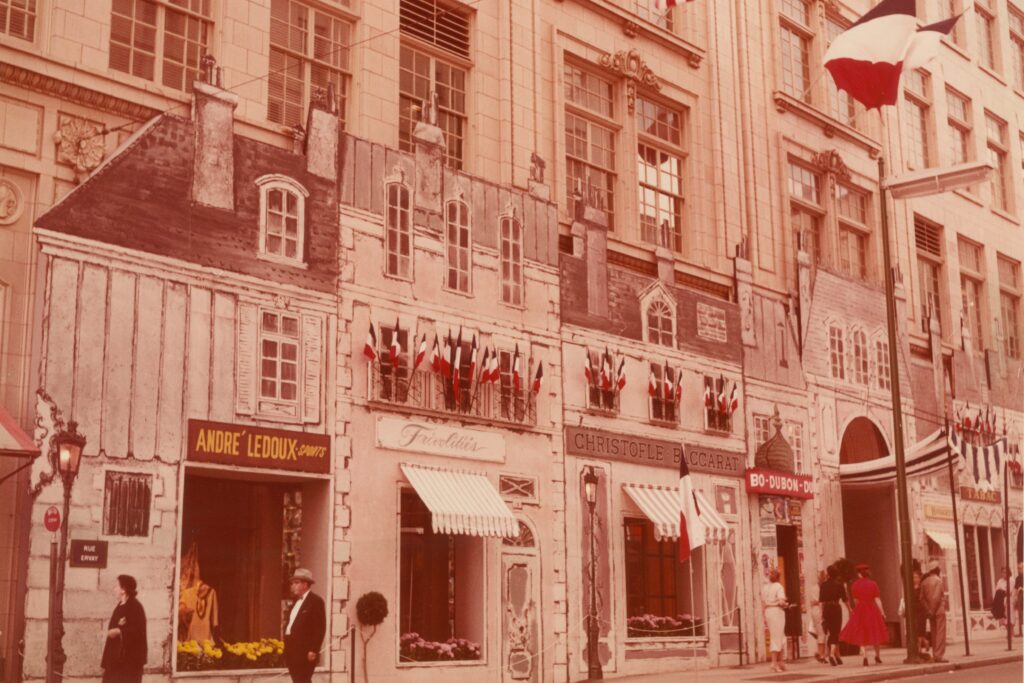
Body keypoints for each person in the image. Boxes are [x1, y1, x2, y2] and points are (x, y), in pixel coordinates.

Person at [101, 574, 147, 683]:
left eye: (116, 586)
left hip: (129, 661)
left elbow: (139, 631)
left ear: (123, 589)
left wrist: (119, 631)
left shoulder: (135, 606)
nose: (114, 589)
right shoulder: (121, 605)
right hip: (116, 659)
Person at [840, 563, 888, 666]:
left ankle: (865, 656)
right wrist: (882, 611)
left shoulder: (855, 585)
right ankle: (877, 656)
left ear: (858, 574)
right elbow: (877, 599)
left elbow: (856, 600)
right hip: (872, 609)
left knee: (861, 632)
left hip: (860, 609)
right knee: (875, 632)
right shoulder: (873, 584)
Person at [284, 568, 326, 683]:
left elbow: (320, 627)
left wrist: (313, 649)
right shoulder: (295, 601)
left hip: (305, 652)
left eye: (296, 583)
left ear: (305, 584)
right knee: (299, 680)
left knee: (302, 680)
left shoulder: (315, 601)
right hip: (292, 650)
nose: (293, 586)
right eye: (292, 583)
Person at [819, 564, 848, 666]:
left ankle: (837, 656)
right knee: (836, 632)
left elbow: (821, 601)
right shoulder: (839, 584)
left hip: (826, 609)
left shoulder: (823, 585)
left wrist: (822, 614)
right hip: (836, 608)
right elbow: (845, 599)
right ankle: (831, 654)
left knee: (830, 632)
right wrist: (849, 609)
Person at [920, 560, 947, 663]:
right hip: (938, 610)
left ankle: (935, 653)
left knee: (934, 633)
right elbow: (936, 597)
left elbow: (921, 598)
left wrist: (928, 610)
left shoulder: (924, 582)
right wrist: (933, 609)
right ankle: (939, 655)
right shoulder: (938, 581)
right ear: (936, 570)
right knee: (940, 633)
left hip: (930, 611)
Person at [762, 569, 788, 673]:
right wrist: (785, 603)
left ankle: (781, 661)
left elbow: (763, 602)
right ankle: (774, 663)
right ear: (778, 577)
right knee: (777, 637)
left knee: (779, 635)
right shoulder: (779, 587)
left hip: (768, 612)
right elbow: (781, 602)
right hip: (777, 612)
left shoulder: (765, 588)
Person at [811, 569, 827, 663]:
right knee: (822, 633)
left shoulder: (818, 587)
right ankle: (821, 654)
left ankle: (821, 653)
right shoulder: (817, 588)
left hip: (818, 611)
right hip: (818, 612)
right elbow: (818, 601)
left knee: (822, 633)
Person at [1014, 562, 1023, 637]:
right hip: (1020, 596)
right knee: (1020, 614)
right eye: (1018, 568)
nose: (1018, 570)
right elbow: (1015, 588)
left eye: (1020, 568)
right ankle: (1021, 632)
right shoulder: (1017, 578)